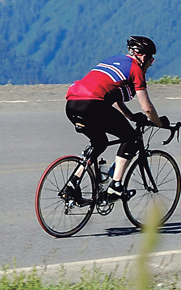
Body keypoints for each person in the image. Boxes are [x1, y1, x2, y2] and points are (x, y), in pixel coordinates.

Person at [64, 36, 169, 202]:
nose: (151, 64)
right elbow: (147, 108)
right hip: (93, 105)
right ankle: (116, 186)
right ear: (143, 57)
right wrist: (160, 123)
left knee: (100, 143)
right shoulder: (136, 70)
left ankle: (71, 184)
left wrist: (130, 116)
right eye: (151, 59)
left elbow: (112, 93)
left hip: (72, 105)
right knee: (131, 138)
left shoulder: (113, 60)